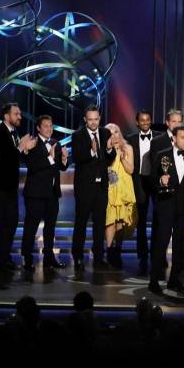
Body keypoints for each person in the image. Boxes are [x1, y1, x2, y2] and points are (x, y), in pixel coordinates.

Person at [148, 126, 184, 293]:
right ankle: (154, 281)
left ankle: (174, 280)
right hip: (166, 205)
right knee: (161, 243)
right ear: (174, 139)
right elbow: (151, 180)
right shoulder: (162, 155)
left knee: (182, 244)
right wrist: (160, 181)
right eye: (183, 137)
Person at [0, 103, 37, 271]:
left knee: (12, 221)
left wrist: (24, 150)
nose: (20, 117)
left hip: (9, 187)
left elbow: (13, 156)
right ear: (6, 116)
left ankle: (5, 256)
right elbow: (2, 159)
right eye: (16, 114)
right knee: (0, 222)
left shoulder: (13, 133)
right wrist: (21, 148)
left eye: (20, 113)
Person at [20, 115, 69, 271]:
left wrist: (64, 160)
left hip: (52, 194)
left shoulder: (56, 143)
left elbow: (61, 168)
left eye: (51, 125)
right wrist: (50, 158)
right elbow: (33, 166)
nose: (49, 128)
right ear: (38, 128)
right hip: (35, 194)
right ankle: (27, 258)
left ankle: (49, 257)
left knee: (50, 228)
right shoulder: (32, 144)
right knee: (31, 227)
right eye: (46, 126)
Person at [71, 105, 116, 272]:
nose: (93, 122)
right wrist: (91, 151)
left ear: (99, 118)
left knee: (99, 223)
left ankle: (98, 256)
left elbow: (110, 159)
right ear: (85, 119)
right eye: (90, 119)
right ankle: (78, 257)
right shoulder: (78, 136)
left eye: (96, 119)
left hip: (101, 186)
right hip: (84, 187)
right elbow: (77, 158)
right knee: (81, 223)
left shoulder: (105, 133)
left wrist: (110, 149)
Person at [126, 109, 161, 275]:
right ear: (137, 122)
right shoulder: (130, 139)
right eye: (142, 120)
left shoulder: (160, 138)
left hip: (156, 182)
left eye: (148, 120)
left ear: (151, 121)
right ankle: (142, 255)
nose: (145, 122)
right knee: (140, 222)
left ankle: (157, 254)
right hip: (139, 181)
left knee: (158, 220)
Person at [104, 123, 137, 269]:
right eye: (110, 133)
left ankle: (117, 250)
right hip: (110, 188)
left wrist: (123, 158)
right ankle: (109, 251)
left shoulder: (128, 148)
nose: (114, 135)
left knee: (120, 221)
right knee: (110, 220)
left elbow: (131, 170)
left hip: (124, 188)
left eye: (116, 131)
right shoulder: (105, 148)